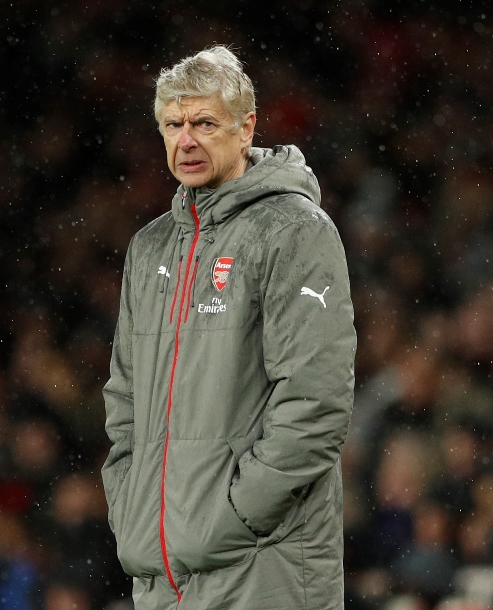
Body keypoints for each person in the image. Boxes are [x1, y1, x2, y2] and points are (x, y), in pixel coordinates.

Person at [101, 45, 357, 609]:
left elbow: (316, 401)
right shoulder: (149, 248)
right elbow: (124, 399)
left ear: (247, 129)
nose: (185, 140)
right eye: (173, 124)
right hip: (162, 572)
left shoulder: (295, 232)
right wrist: (131, 505)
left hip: (265, 565)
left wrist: (235, 515)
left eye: (204, 123)